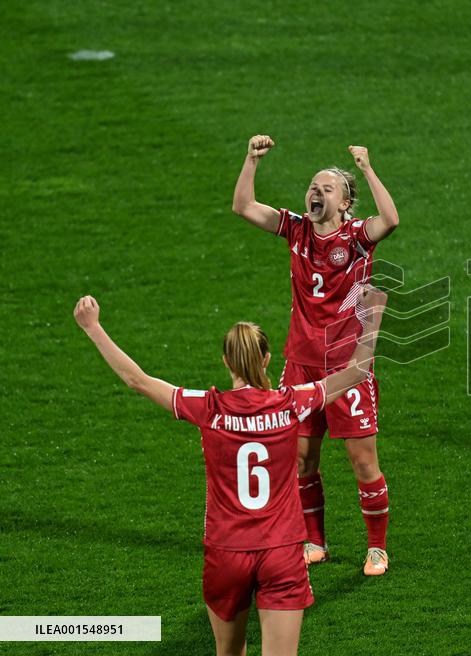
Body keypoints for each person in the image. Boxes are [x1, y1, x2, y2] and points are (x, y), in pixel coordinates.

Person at [73, 286, 386, 656]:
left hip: (227, 553)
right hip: (281, 552)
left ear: (226, 361)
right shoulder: (292, 404)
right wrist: (373, 314)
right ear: (267, 359)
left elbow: (137, 380)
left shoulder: (208, 408)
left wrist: (93, 327)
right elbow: (356, 371)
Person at [231, 136, 399, 574]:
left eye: (326, 189)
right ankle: (315, 541)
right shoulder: (296, 230)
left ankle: (376, 547)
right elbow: (244, 206)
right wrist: (251, 160)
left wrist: (366, 168)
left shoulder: (358, 237)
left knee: (363, 462)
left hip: (347, 368)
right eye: (312, 186)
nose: (315, 192)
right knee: (302, 459)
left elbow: (391, 219)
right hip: (301, 365)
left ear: (345, 204)